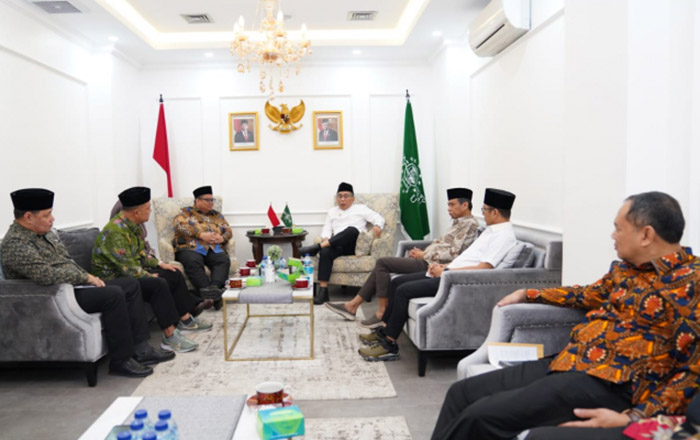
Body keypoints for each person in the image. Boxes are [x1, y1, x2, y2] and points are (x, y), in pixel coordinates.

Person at [430, 191, 700, 440]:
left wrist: (636, 417)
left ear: (646, 235)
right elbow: (586, 294)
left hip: (611, 382)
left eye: (618, 228)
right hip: (570, 360)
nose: (612, 235)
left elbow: (693, 372)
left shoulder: (691, 284)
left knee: (480, 417)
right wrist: (529, 293)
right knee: (461, 393)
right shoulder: (627, 270)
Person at [1, 188, 174, 378]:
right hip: (54, 297)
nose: (52, 219)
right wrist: (86, 278)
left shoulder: (45, 234)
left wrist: (86, 276)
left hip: (72, 286)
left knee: (131, 285)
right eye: (47, 215)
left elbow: (67, 262)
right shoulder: (16, 244)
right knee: (113, 294)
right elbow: (46, 275)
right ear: (28, 217)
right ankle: (121, 361)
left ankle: (141, 350)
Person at [358, 188, 517, 362]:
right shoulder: (490, 231)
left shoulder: (504, 237)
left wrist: (447, 271)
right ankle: (385, 331)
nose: (483, 213)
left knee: (403, 291)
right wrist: (443, 266)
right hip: (448, 272)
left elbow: (484, 267)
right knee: (397, 282)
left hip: (456, 281)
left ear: (495, 212)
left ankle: (389, 345)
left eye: (484, 209)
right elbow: (465, 257)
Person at [324, 187, 480, 328]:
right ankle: (353, 306)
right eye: (448, 205)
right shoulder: (457, 223)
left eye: (452, 205)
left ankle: (378, 312)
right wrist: (422, 250)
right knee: (381, 266)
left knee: (382, 263)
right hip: (426, 258)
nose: (448, 208)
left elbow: (454, 253)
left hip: (432, 265)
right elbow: (442, 245)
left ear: (465, 205)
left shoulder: (470, 224)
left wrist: (424, 254)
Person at [92, 186, 212, 354]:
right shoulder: (115, 232)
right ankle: (169, 337)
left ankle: (185, 321)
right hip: (113, 279)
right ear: (136, 212)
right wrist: (148, 275)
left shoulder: (132, 225)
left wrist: (159, 264)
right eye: (148, 208)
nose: (150, 211)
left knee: (173, 273)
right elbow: (126, 267)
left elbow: (140, 253)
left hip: (130, 272)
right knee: (158, 283)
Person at [298, 182, 385, 304]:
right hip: (336, 245)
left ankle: (317, 247)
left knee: (351, 230)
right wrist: (325, 238)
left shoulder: (361, 209)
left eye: (346, 196)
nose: (342, 199)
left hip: (353, 245)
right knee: (325, 251)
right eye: (339, 196)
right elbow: (327, 228)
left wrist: (377, 226)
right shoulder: (332, 212)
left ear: (353, 198)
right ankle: (323, 292)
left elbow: (379, 218)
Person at [173, 185, 232, 310]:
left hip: (212, 248)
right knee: (193, 261)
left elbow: (228, 230)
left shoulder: (217, 215)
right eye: (207, 200)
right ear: (197, 201)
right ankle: (211, 296)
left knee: (223, 259)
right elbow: (179, 225)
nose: (211, 203)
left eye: (212, 200)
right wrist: (201, 235)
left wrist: (222, 238)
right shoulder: (186, 212)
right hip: (190, 247)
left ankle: (215, 289)